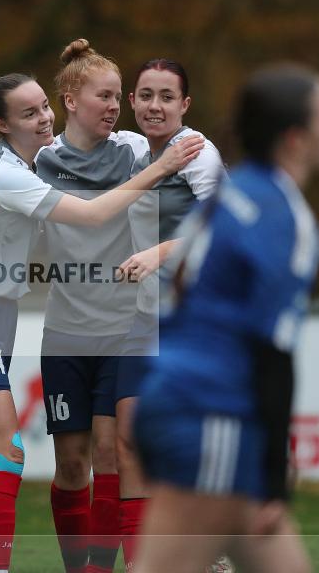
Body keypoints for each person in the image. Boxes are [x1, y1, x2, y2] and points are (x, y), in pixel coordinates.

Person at [0, 73, 201, 573]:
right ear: (0, 124)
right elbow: (89, 215)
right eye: (29, 113)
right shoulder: (9, 171)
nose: (43, 119)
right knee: (8, 452)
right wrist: (164, 166)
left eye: (43, 108)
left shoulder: (31, 162)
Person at [132, 63, 319, 573]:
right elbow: (272, 351)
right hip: (212, 413)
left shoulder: (231, 192)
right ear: (295, 137)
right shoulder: (282, 215)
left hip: (178, 398)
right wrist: (275, 472)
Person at [112, 59, 227, 571]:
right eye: (144, 95)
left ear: (185, 105)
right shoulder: (134, 151)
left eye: (165, 96)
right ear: (131, 102)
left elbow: (221, 234)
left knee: (186, 436)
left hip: (191, 321)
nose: (154, 106)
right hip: (140, 317)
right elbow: (57, 160)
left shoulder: (198, 154)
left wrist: (156, 255)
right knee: (131, 436)